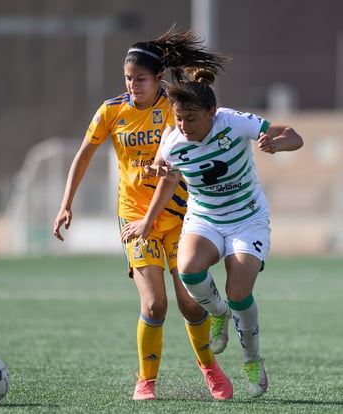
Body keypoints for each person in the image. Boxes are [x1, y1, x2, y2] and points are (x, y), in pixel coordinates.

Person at [53, 26, 234, 401]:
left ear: (158, 79)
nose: (133, 85)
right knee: (154, 303)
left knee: (188, 301)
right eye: (128, 79)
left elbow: (168, 169)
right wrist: (65, 203)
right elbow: (83, 155)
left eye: (140, 79)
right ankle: (146, 382)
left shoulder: (173, 106)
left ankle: (210, 370)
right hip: (135, 218)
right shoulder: (111, 110)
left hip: (179, 216)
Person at [121, 69, 303, 398]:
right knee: (189, 269)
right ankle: (217, 314)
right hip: (205, 217)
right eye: (178, 119)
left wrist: (277, 143)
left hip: (247, 218)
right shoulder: (174, 139)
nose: (184, 127)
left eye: (191, 119)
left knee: (238, 292)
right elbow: (167, 175)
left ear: (211, 114)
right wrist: (149, 212)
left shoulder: (233, 122)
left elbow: (294, 135)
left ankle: (251, 359)